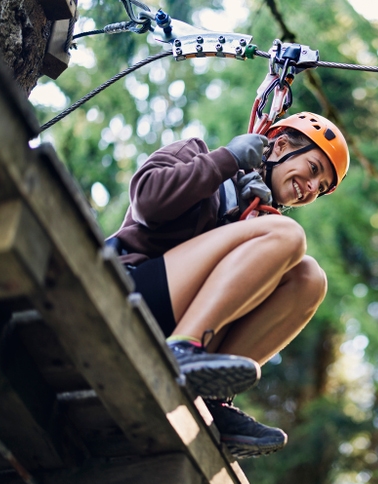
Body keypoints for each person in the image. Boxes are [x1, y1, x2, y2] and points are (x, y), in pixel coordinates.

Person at [106, 112, 349, 458]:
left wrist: (246, 221)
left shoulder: (262, 226)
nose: (311, 189)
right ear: (279, 146)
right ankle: (183, 350)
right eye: (313, 170)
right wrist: (227, 161)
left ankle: (212, 395)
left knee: (309, 279)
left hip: (176, 320)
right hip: (134, 294)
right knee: (290, 235)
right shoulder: (197, 153)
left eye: (320, 188)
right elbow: (147, 201)